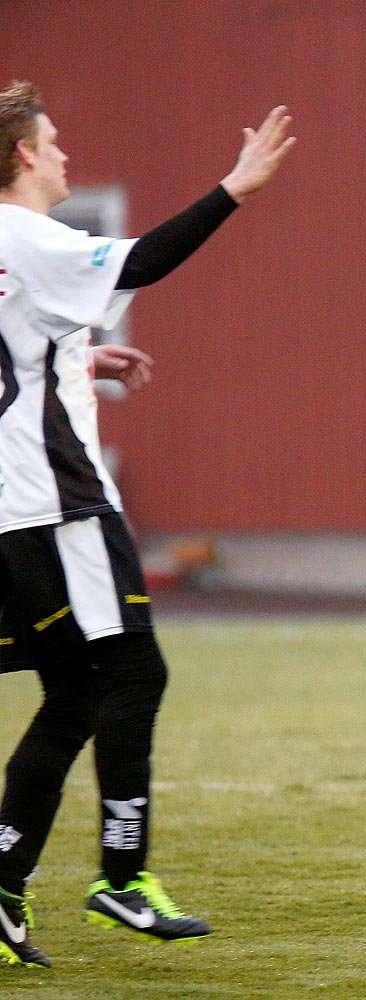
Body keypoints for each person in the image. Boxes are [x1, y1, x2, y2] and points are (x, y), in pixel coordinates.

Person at [0, 80, 295, 968]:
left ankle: (4, 888)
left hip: (14, 506)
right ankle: (121, 882)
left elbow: (18, 343)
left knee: (77, 693)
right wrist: (234, 188)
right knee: (137, 672)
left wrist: (82, 356)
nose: (62, 154)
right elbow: (142, 261)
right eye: (52, 142)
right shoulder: (31, 235)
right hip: (60, 502)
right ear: (21, 155)